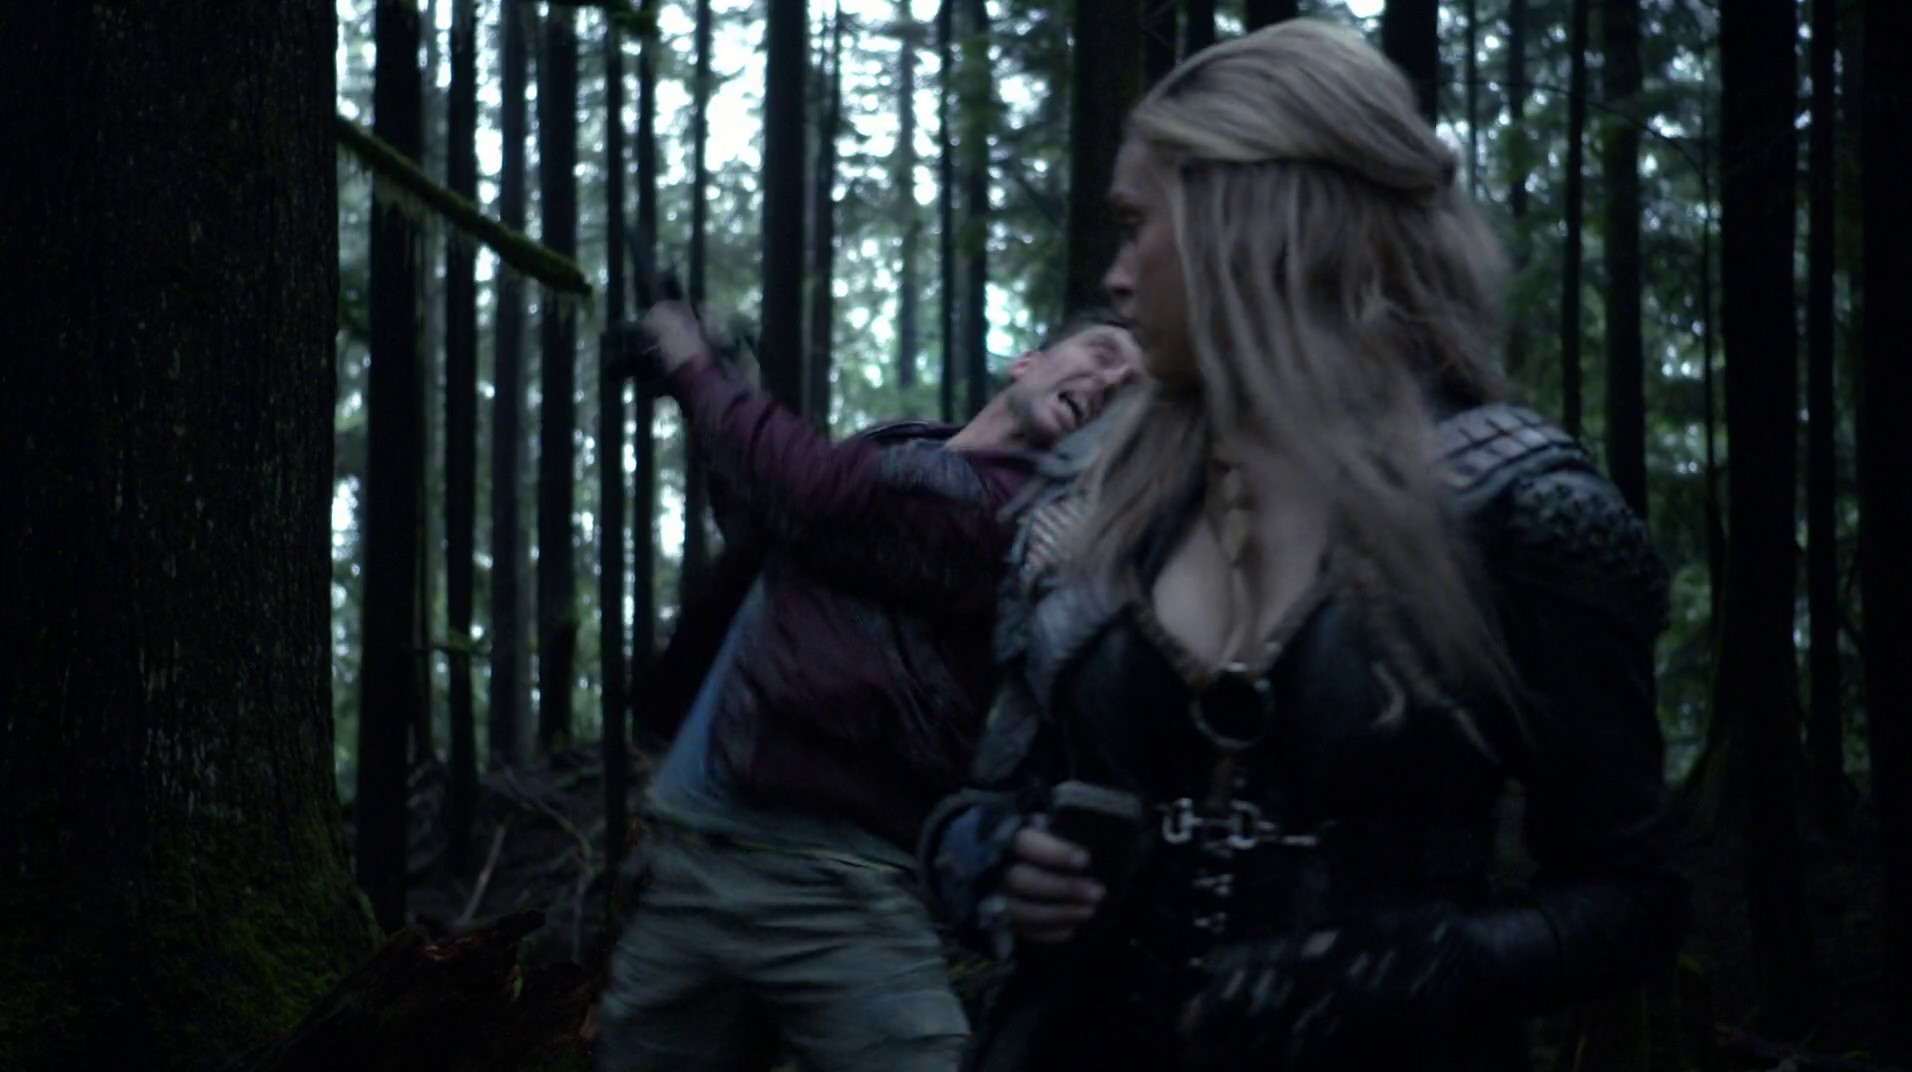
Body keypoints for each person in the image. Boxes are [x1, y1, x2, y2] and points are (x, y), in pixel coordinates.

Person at [918, 20, 1688, 1072]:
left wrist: (1421, 964)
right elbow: (991, 789)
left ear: (1247, 221)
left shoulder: (1522, 509)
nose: (1116, 277)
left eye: (1137, 225)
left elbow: (1634, 896)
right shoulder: (1083, 495)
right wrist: (983, 857)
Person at [595, 301, 1141, 1072]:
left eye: (1134, 395)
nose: (1113, 383)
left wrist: (694, 363)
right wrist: (721, 382)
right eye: (1104, 352)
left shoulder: (1013, 515)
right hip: (693, 851)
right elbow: (773, 513)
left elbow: (814, 493)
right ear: (1029, 363)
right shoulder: (906, 447)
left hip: (840, 884)